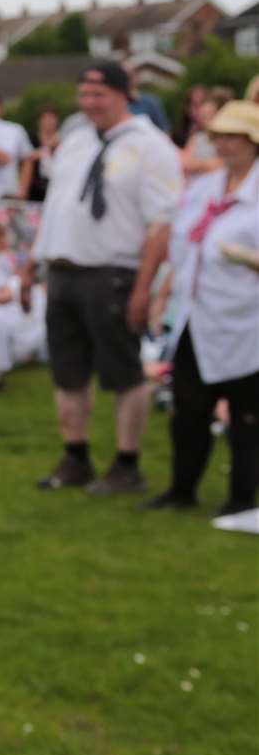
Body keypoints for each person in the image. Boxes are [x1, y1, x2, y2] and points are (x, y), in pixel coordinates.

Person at [32, 60, 182, 494]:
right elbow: (56, 205)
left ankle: (127, 462)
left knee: (124, 373)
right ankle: (75, 456)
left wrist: (144, 288)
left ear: (123, 95)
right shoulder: (75, 141)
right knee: (68, 372)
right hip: (63, 269)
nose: (89, 104)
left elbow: (161, 223)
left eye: (98, 95)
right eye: (83, 95)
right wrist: (34, 261)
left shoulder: (151, 147)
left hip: (113, 273)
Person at [143, 100, 259, 516]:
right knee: (188, 408)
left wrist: (250, 259)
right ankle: (181, 489)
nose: (224, 145)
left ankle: (242, 499)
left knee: (247, 415)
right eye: (219, 137)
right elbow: (182, 244)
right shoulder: (206, 189)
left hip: (247, 322)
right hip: (196, 315)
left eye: (234, 137)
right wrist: (163, 295)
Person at [178, 87, 230, 179]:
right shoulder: (198, 137)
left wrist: (197, 165)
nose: (204, 121)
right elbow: (184, 163)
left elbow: (222, 164)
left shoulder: (226, 140)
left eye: (209, 116)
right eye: (203, 116)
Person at [19, 107, 62, 202]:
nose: (48, 122)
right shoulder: (31, 139)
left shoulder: (63, 139)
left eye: (51, 119)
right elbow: (25, 157)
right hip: (35, 185)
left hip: (56, 182)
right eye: (45, 119)